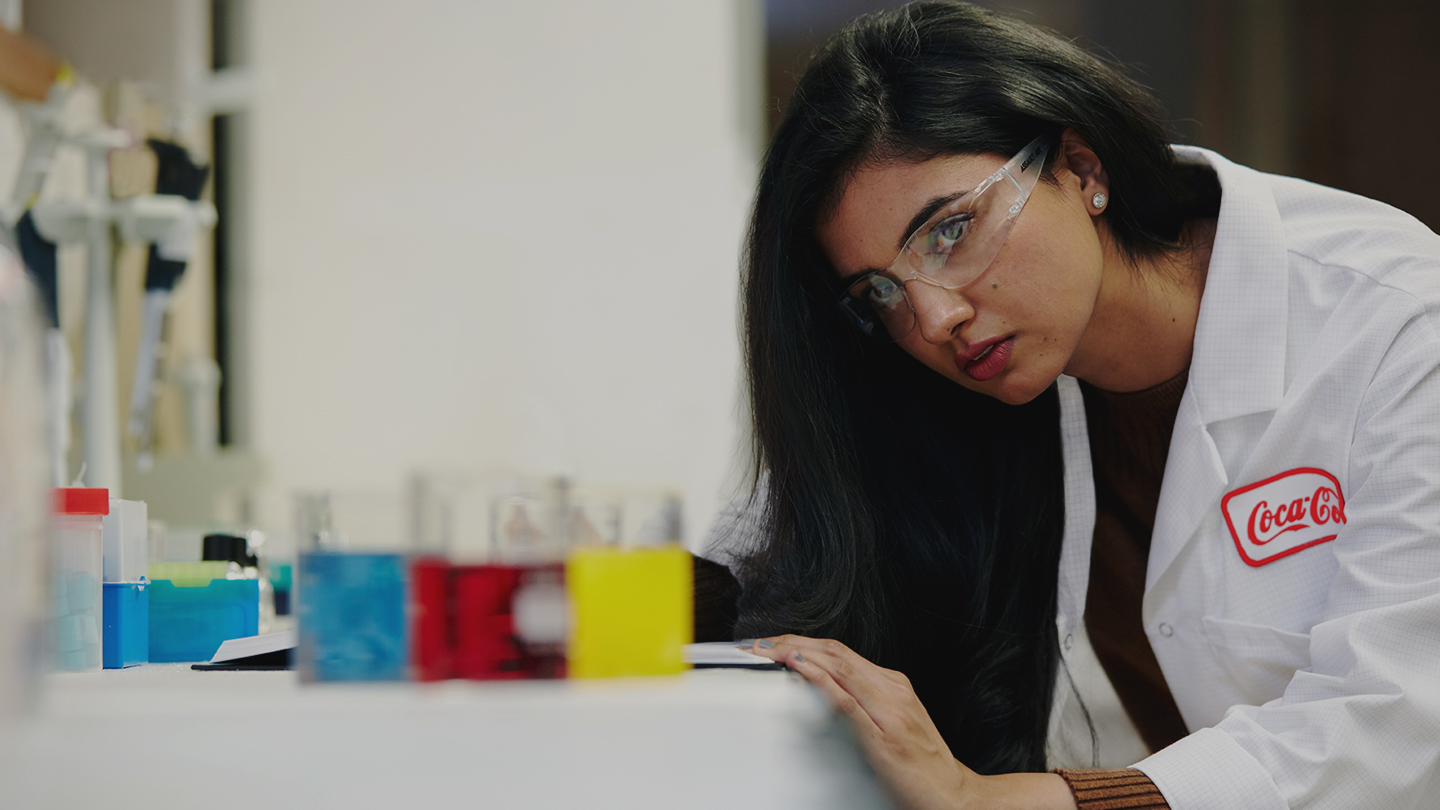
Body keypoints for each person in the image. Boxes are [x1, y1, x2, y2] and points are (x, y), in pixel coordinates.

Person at [695, 3, 1440, 808]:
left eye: (949, 232)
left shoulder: (1399, 324)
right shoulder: (961, 375)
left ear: (1081, 169)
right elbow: (777, 553)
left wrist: (983, 801)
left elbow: (1387, 731)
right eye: (879, 290)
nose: (934, 318)